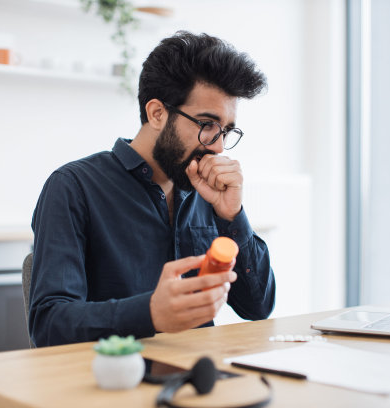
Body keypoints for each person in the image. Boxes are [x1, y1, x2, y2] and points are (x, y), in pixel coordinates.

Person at [29, 31, 276, 347]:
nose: (218, 148)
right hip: (113, 382)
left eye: (226, 131)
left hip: (198, 380)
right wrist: (149, 313)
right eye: (206, 126)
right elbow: (49, 325)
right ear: (157, 113)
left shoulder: (209, 192)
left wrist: (232, 216)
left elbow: (258, 307)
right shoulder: (73, 187)